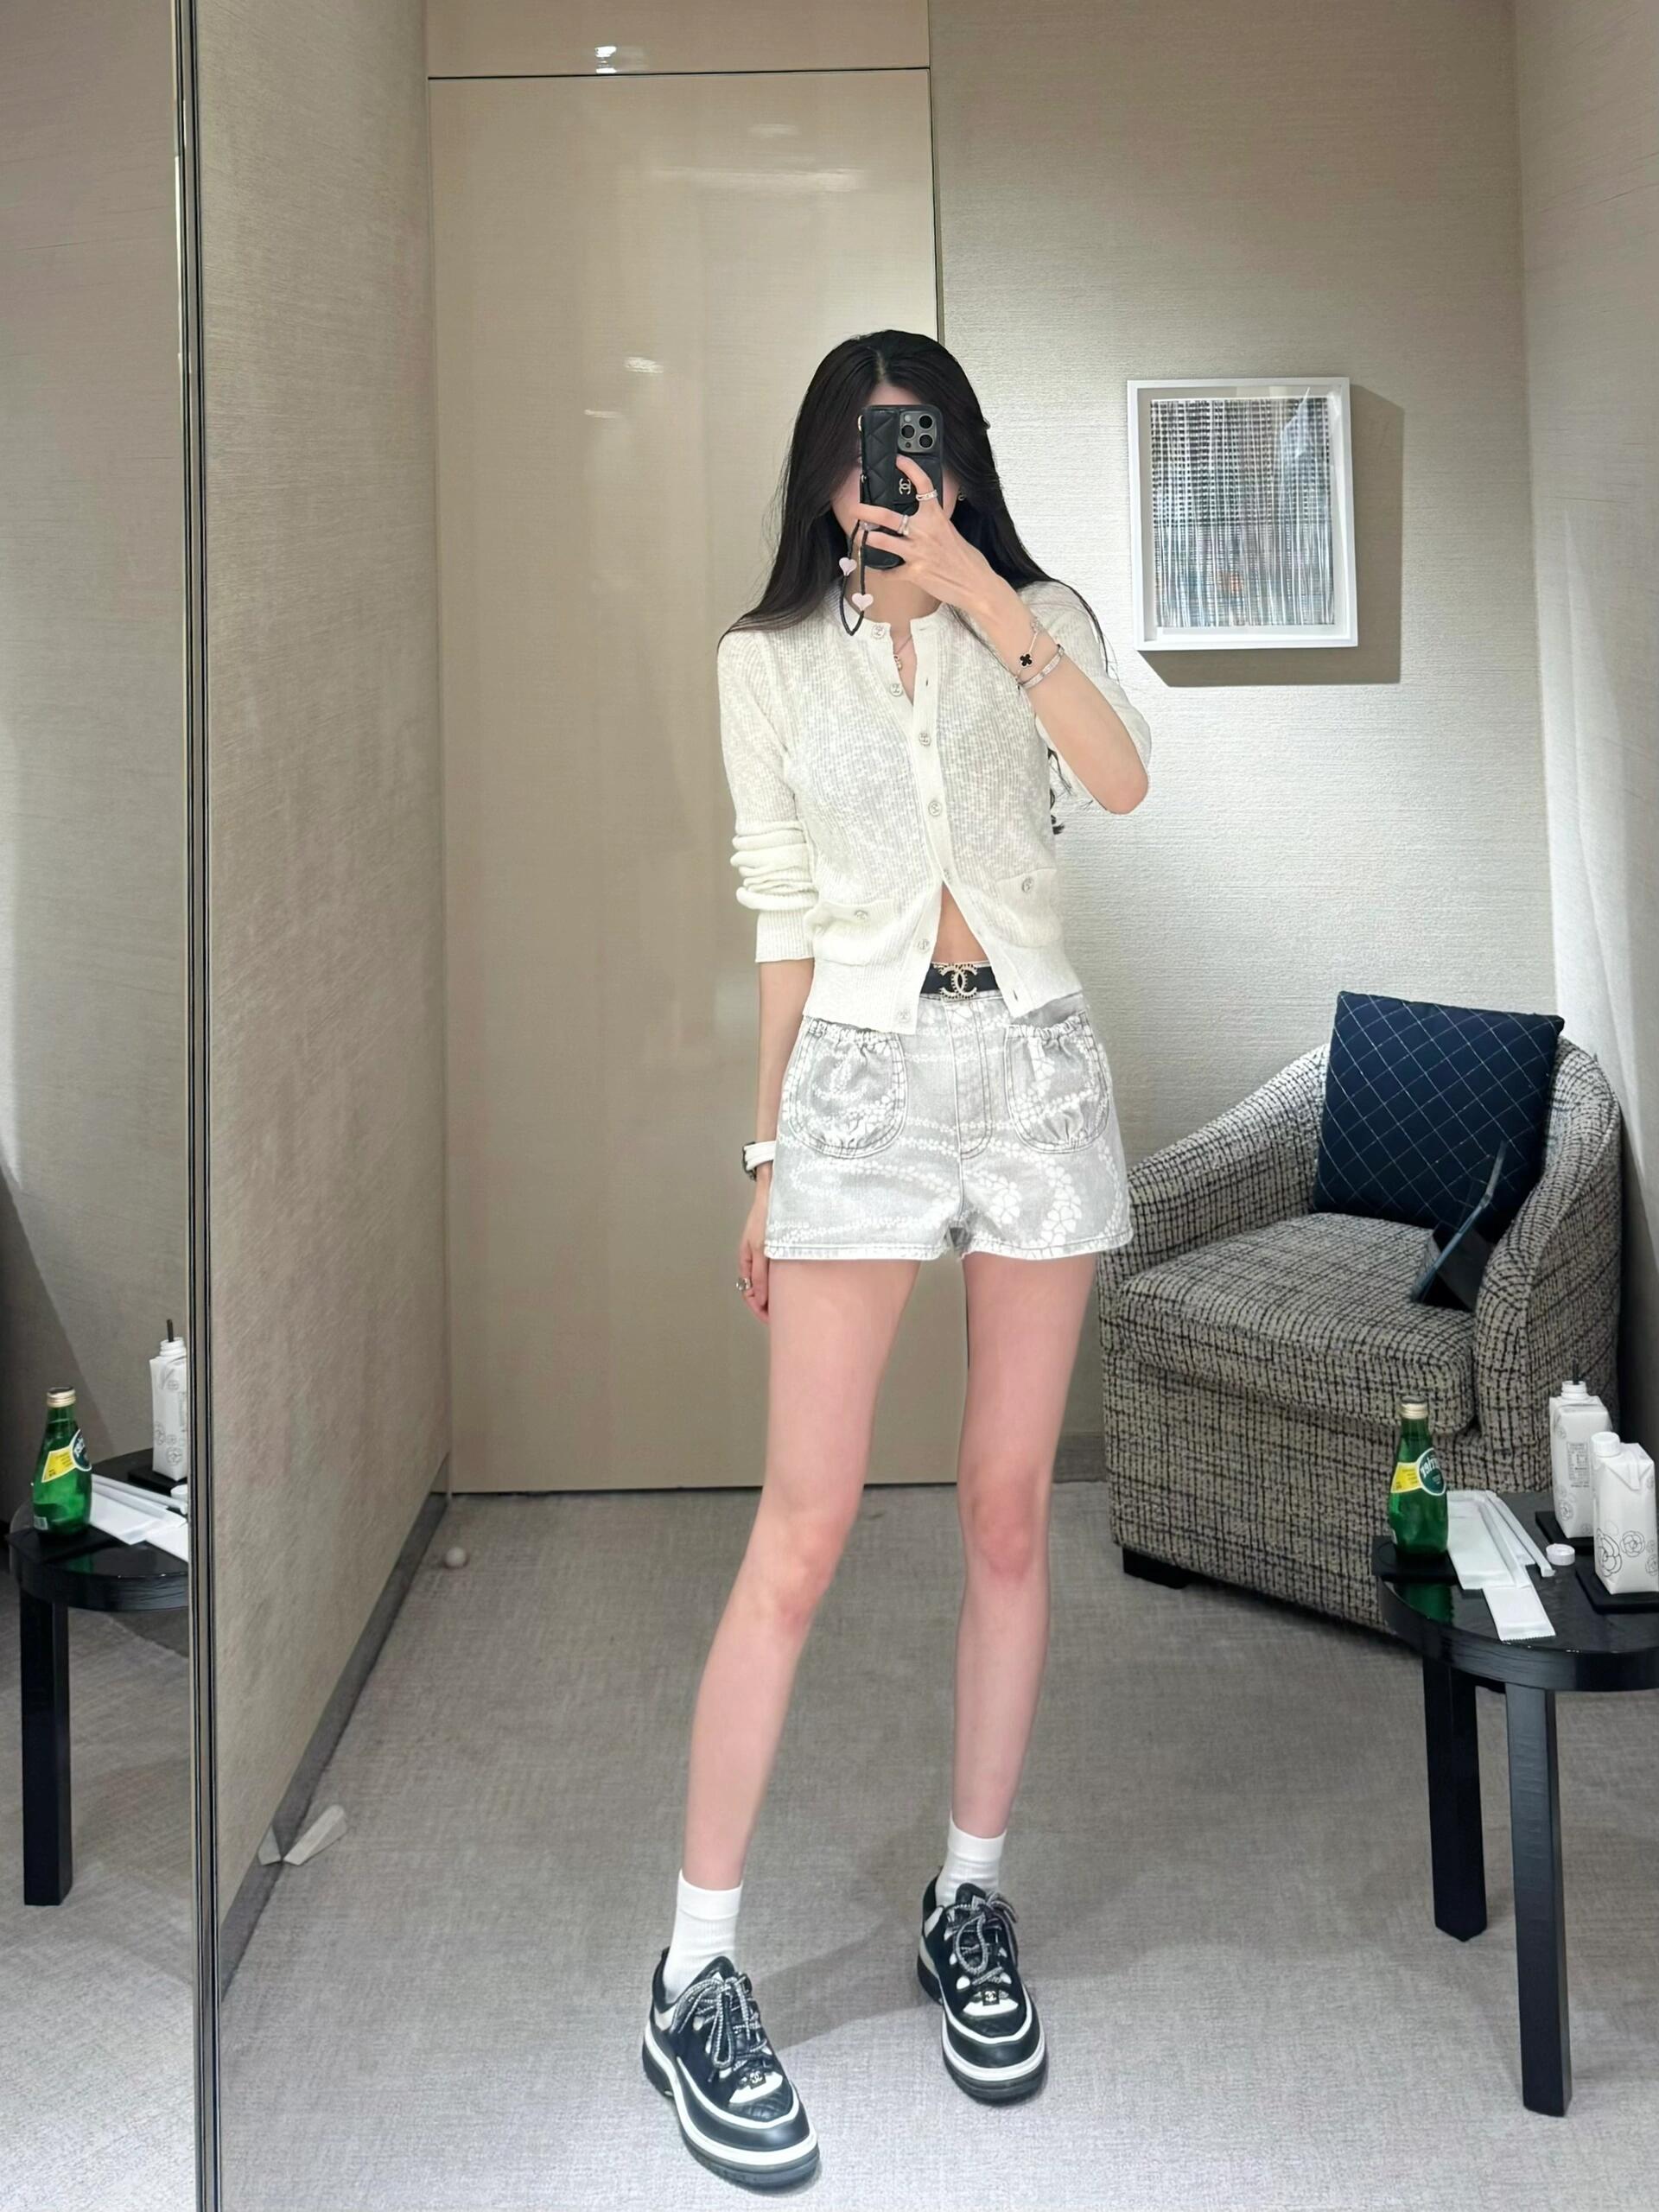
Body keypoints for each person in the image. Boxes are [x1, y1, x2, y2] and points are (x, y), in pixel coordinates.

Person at [640, 331, 1154, 2191]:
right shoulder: (765, 662)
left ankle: (969, 1894)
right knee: (805, 1524)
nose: (889, 470)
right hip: (856, 1080)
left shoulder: (1041, 616)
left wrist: (982, 594)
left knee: (1010, 1511)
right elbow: (782, 912)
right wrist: (768, 1155)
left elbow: (1124, 779)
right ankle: (691, 1970)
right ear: (820, 466)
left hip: (1034, 1069)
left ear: (962, 454)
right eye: (862, 446)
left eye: (916, 440)